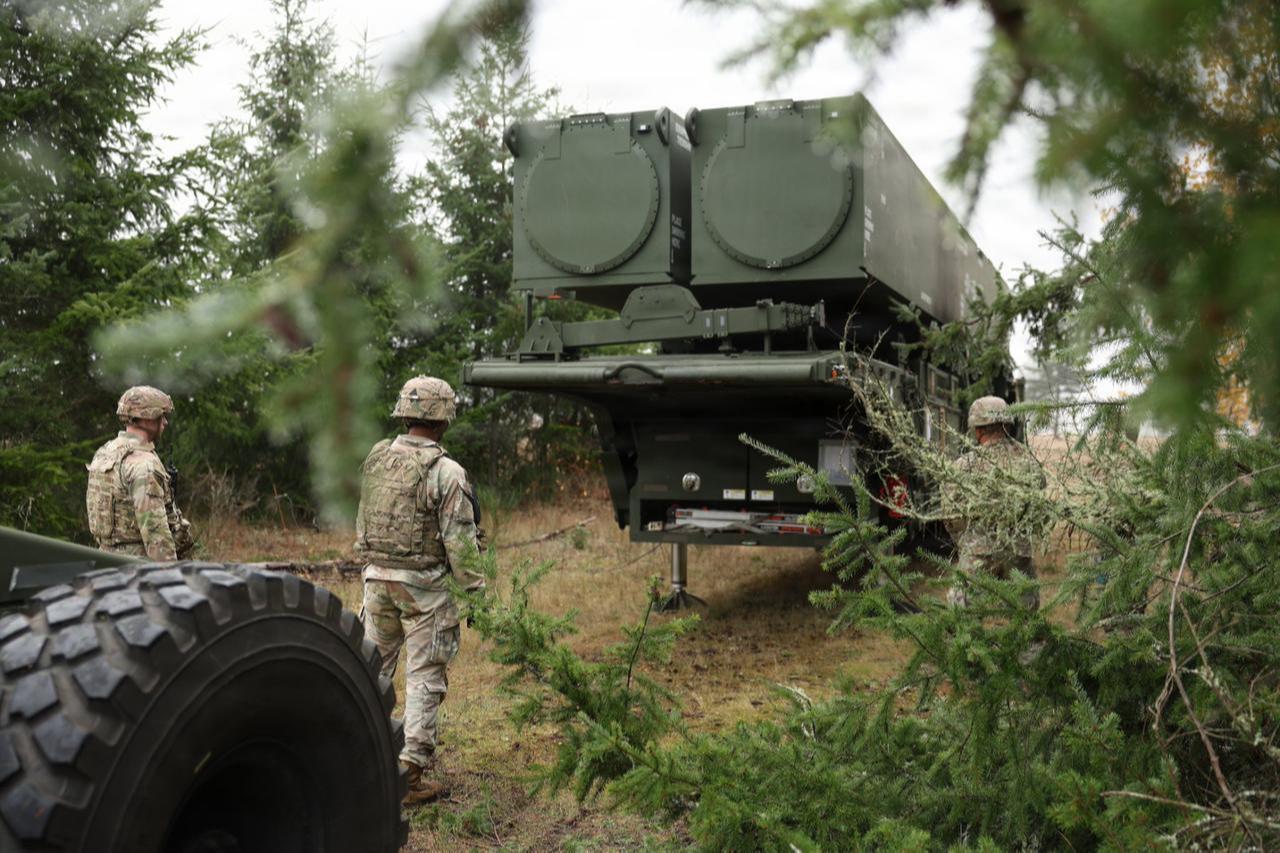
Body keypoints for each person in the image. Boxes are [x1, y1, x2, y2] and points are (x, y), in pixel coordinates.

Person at [355, 376, 483, 805]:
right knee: (425, 676)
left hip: (376, 580)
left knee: (372, 671)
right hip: (424, 590)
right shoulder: (446, 472)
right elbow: (460, 545)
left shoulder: (377, 459)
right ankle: (408, 775)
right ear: (443, 419)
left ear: (405, 414)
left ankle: (354, 756)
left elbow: (364, 522)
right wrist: (475, 595)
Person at [942, 395, 1045, 609]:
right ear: (1007, 424)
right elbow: (1038, 506)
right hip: (1019, 551)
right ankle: (1029, 643)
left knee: (960, 614)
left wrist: (968, 541)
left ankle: (967, 642)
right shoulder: (1028, 462)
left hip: (977, 552)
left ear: (978, 429)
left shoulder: (964, 465)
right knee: (1026, 617)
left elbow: (950, 514)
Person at [86, 386, 194, 560]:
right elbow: (157, 540)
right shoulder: (144, 464)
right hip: (138, 569)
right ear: (148, 418)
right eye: (161, 416)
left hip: (103, 562)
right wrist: (171, 578)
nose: (165, 422)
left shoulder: (105, 452)